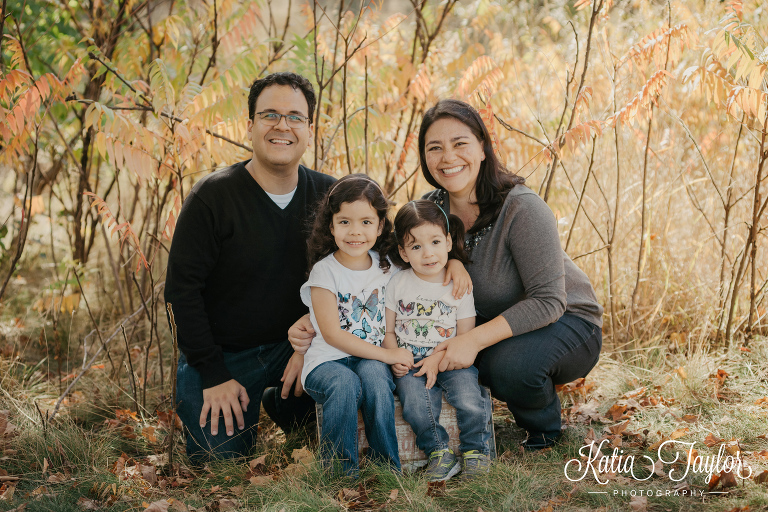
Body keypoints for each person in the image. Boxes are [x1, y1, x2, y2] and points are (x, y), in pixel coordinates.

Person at [164, 72, 335, 462]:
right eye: (269, 114)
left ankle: (288, 406)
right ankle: (247, 404)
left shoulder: (331, 197)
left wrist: (311, 346)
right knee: (219, 464)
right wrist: (212, 373)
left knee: (341, 421)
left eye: (294, 117)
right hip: (225, 356)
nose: (282, 126)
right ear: (250, 126)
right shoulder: (212, 197)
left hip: (304, 348)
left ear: (309, 130)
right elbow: (180, 293)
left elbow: (367, 274)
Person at [418, 99, 604, 451]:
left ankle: (544, 432)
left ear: (484, 148)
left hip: (569, 320)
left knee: (505, 367)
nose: (448, 157)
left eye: (460, 144)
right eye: (435, 148)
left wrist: (471, 341)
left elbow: (549, 301)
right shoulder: (430, 210)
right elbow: (395, 265)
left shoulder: (521, 207)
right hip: (500, 323)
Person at [384, 199, 492, 482]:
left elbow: (466, 334)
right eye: (416, 246)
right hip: (412, 362)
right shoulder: (398, 283)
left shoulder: (458, 284)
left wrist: (438, 358)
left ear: (447, 242)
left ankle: (475, 451)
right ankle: (439, 453)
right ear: (403, 252)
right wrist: (394, 355)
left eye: (434, 242)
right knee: (415, 403)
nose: (427, 253)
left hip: (451, 358)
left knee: (469, 397)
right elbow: (389, 331)